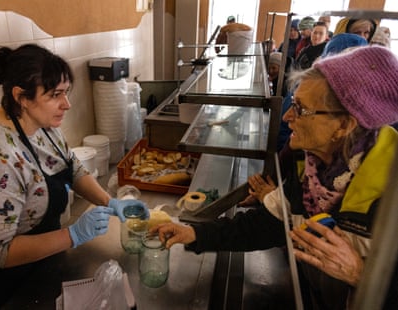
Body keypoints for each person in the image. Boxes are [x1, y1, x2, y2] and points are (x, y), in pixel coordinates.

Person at [151, 46, 398, 309]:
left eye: (301, 110)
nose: (288, 116)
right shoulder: (309, 165)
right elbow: (268, 224)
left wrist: (361, 275)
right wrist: (194, 234)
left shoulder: (389, 192)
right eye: (293, 104)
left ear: (345, 125)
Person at [0, 44, 149, 309]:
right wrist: (74, 234)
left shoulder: (41, 125)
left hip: (42, 249)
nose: (66, 104)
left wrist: (108, 201)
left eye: (66, 93)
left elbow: (71, 167)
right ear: (21, 97)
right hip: (4, 267)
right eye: (56, 95)